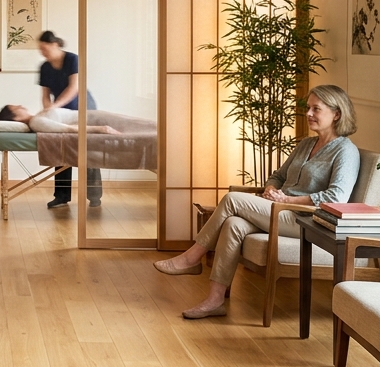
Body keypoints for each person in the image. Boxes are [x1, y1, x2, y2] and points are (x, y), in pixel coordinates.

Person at [153, 84, 360, 319]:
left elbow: (336, 196)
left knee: (232, 199)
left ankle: (191, 258)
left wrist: (289, 198)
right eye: (308, 108)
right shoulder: (306, 144)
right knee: (233, 225)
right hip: (280, 209)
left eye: (316, 109)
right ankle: (214, 301)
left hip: (305, 220)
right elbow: (279, 176)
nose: (309, 114)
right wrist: (271, 189)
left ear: (337, 114)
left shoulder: (346, 151)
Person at [36, 31, 102, 208]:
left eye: (45, 48)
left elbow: (74, 88)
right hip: (61, 112)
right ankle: (62, 196)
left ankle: (94, 196)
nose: (42, 52)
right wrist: (48, 110)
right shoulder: (45, 67)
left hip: (83, 108)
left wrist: (55, 106)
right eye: (40, 49)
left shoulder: (72, 59)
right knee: (61, 149)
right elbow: (45, 95)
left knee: (87, 151)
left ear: (55, 44)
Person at [0, 104, 119, 135]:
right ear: (16, 118)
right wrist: (104, 129)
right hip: (96, 120)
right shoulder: (36, 122)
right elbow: (68, 129)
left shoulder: (37, 118)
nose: (20, 105)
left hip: (95, 116)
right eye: (16, 108)